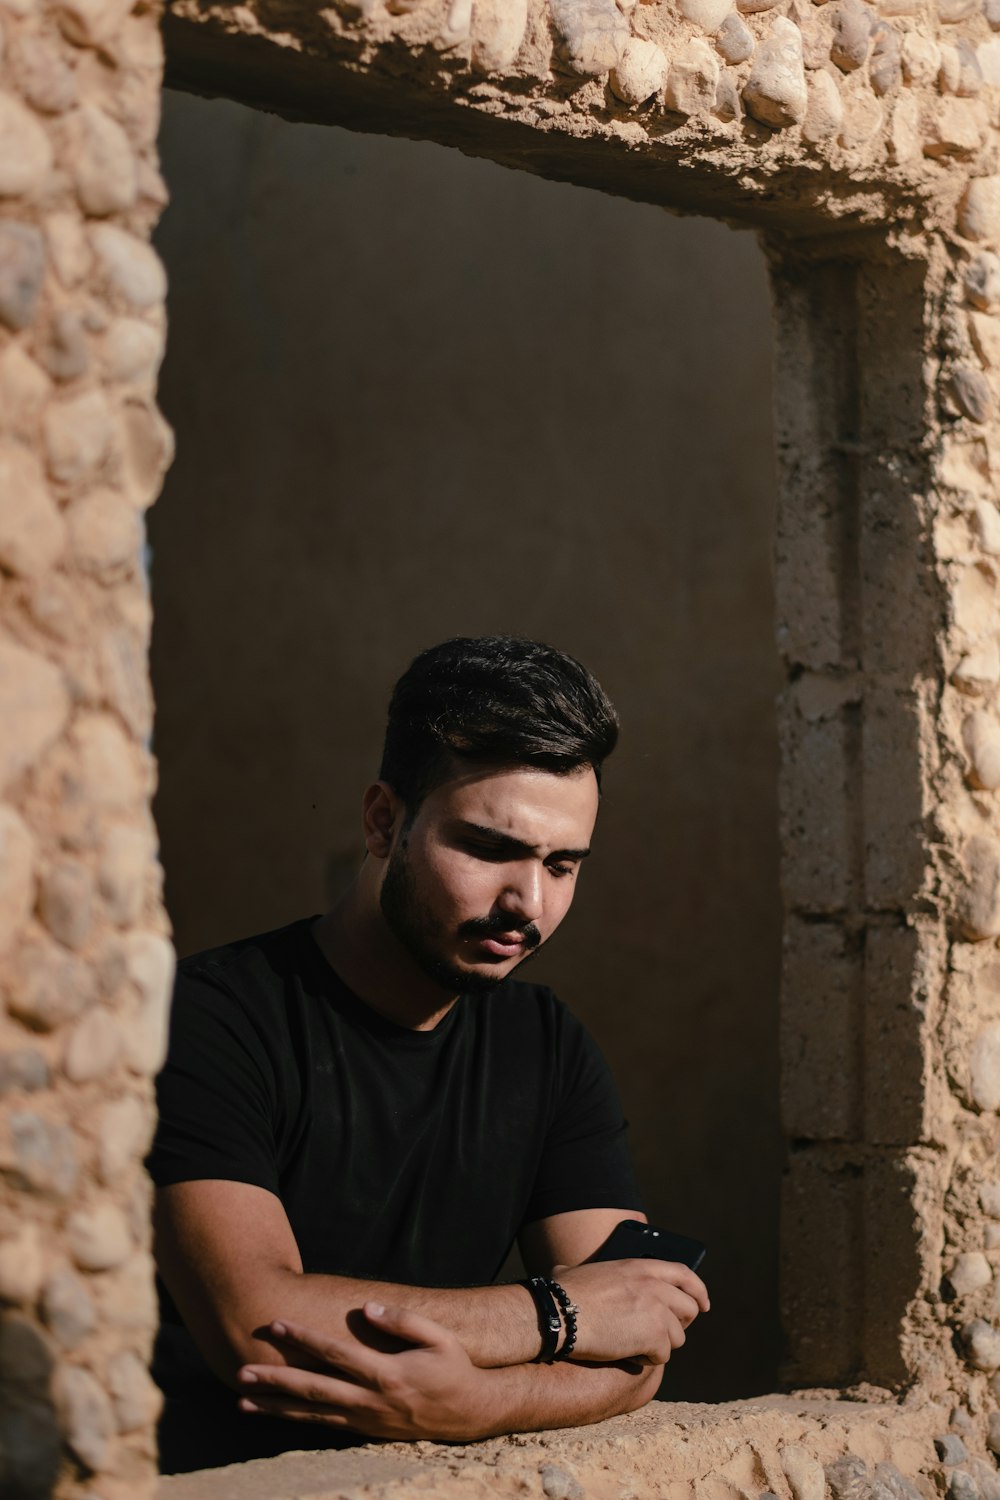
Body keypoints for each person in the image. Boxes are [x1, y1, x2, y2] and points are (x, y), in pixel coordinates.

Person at [148, 636, 709, 1473]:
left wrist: (483, 1403)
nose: (529, 903)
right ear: (384, 821)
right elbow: (258, 1325)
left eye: (562, 865)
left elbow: (636, 1348)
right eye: (488, 850)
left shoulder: (548, 1047)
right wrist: (551, 1317)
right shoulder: (205, 1018)